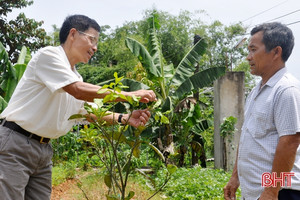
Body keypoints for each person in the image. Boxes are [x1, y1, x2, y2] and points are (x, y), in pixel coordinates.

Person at [0, 14, 156, 199]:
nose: (95, 48)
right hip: (16, 144)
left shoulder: (76, 76)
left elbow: (87, 113)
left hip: (44, 150)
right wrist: (128, 95)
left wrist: (125, 119)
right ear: (73, 34)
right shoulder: (49, 56)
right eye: (92, 39)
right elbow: (77, 91)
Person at [224, 22, 300, 200]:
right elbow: (247, 137)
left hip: (282, 193)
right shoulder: (257, 91)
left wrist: (271, 190)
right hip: (256, 193)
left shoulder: (286, 90)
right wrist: (235, 177)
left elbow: (290, 141)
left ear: (276, 52)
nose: (248, 57)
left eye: (253, 50)